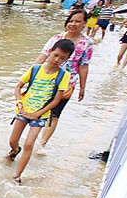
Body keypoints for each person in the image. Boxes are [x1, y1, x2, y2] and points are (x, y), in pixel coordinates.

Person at [7, 39, 74, 183]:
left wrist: (38, 113)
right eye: (56, 55)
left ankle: (17, 175)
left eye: (63, 58)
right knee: (13, 141)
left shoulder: (64, 75)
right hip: (24, 110)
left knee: (29, 144)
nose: (57, 60)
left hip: (41, 114)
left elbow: (56, 100)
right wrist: (19, 104)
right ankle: (14, 151)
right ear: (50, 52)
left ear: (67, 59)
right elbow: (18, 87)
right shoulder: (35, 69)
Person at [32, 9, 94, 151]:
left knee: (54, 114)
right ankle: (31, 139)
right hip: (45, 80)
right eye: (71, 20)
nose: (73, 24)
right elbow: (42, 56)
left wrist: (82, 87)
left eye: (78, 21)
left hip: (66, 84)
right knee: (38, 109)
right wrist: (30, 75)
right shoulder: (56, 38)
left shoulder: (87, 43)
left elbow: (83, 65)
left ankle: (41, 144)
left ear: (84, 23)